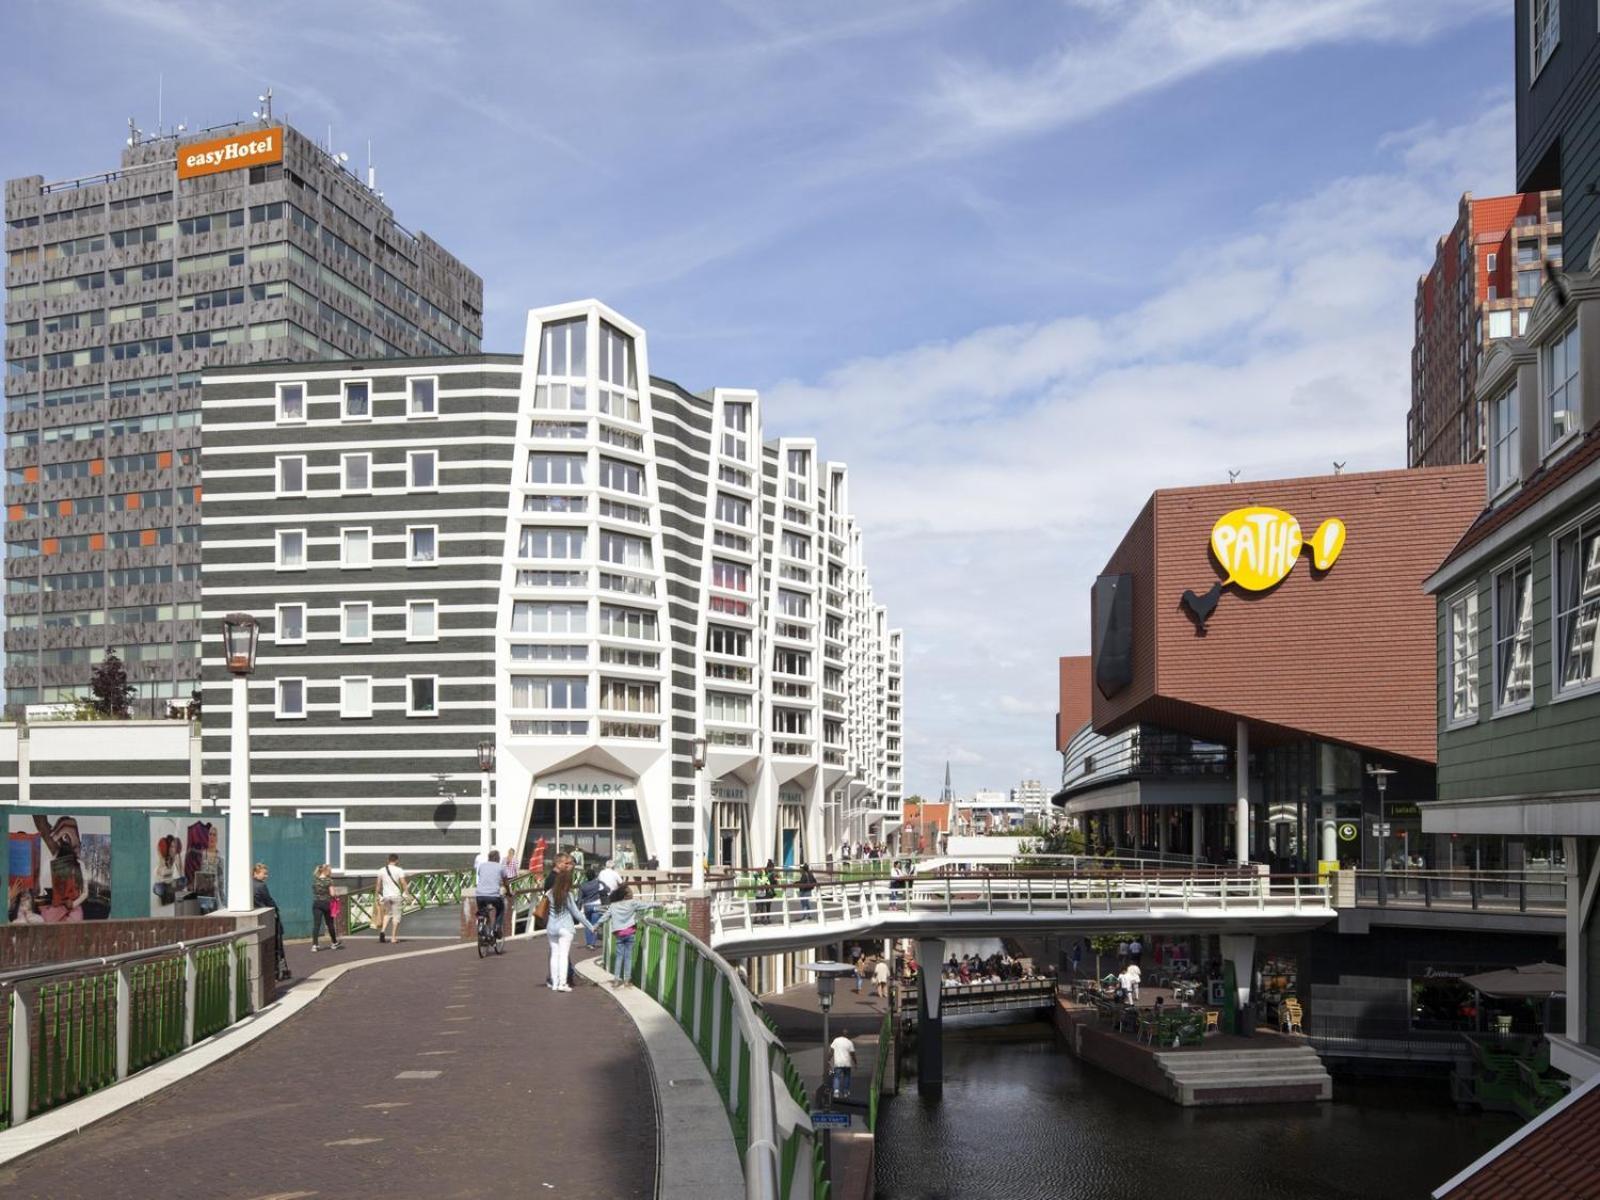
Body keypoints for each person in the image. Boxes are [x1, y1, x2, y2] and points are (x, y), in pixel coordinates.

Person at [544, 857, 595, 992]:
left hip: (551, 927)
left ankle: (554, 984)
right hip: (565, 927)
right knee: (563, 956)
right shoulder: (568, 895)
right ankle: (562, 983)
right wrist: (591, 927)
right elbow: (577, 914)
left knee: (554, 955)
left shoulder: (549, 893)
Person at [599, 883, 659, 988]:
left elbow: (605, 917)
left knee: (619, 957)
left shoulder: (613, 905)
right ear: (626, 895)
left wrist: (595, 926)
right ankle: (627, 980)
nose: (632, 893)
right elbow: (647, 905)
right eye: (630, 892)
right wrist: (659, 904)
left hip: (619, 934)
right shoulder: (633, 903)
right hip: (630, 933)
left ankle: (616, 980)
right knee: (628, 957)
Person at [253, 863, 291, 981]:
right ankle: (276, 972)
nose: (266, 876)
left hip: (258, 916)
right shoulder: (261, 886)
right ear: (256, 873)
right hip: (269, 918)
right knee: (276, 945)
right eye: (264, 873)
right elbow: (269, 901)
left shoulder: (249, 885)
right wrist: (275, 910)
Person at [473, 849, 507, 940]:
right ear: (498, 858)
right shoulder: (501, 867)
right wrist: (509, 891)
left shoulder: (482, 866)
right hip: (493, 896)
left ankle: (483, 928)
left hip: (479, 895)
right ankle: (497, 927)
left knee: (482, 911)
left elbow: (482, 877)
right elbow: (505, 881)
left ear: (489, 858)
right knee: (501, 908)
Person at [310, 864, 345, 952]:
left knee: (316, 925)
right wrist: (336, 895)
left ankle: (315, 945)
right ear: (326, 871)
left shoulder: (315, 881)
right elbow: (332, 894)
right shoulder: (329, 881)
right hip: (326, 903)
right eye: (330, 870)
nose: (331, 872)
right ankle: (334, 942)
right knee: (330, 924)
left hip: (316, 903)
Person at [377, 853, 409, 944]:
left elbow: (378, 884)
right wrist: (407, 892)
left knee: (387, 914)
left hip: (386, 896)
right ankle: (393, 937)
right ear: (397, 860)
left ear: (388, 860)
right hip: (396, 896)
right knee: (396, 916)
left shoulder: (381, 870)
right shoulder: (399, 870)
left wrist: (377, 895)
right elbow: (403, 882)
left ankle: (382, 931)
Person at [579, 867, 605, 950]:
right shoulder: (598, 883)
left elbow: (580, 898)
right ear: (594, 875)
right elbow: (606, 889)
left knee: (588, 925)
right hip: (596, 905)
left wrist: (579, 907)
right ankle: (592, 944)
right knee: (595, 925)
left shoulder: (583, 885)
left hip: (587, 906)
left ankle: (588, 943)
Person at [829, 1033, 856, 1098]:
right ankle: (846, 1092)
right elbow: (852, 1054)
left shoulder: (836, 1041)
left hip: (838, 1063)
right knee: (846, 1077)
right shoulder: (849, 1042)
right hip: (847, 1063)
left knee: (837, 1077)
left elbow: (831, 1051)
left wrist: (828, 1059)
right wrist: (855, 1062)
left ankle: (836, 1091)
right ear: (847, 1036)